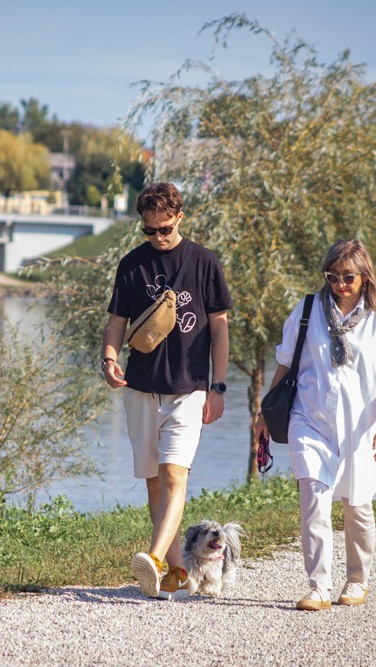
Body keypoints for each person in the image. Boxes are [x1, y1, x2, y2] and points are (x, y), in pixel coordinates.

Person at [256, 239, 376, 611]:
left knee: (357, 506)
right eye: (333, 276)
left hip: (362, 425)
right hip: (309, 419)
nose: (340, 283)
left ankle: (357, 579)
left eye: (348, 277)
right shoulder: (308, 309)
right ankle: (318, 586)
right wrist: (264, 412)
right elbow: (286, 362)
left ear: (365, 277)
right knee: (314, 501)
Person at [101, 182, 232, 599]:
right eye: (148, 230)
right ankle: (176, 571)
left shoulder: (204, 262)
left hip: (189, 390)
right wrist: (108, 357)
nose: (157, 237)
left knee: (175, 474)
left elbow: (219, 328)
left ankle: (152, 559)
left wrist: (218, 386)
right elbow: (117, 321)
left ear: (179, 216)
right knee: (155, 483)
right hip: (140, 388)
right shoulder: (131, 265)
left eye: (163, 228)